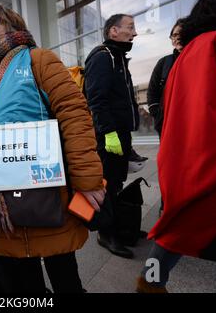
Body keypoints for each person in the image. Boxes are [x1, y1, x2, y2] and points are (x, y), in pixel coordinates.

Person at [0, 3, 105, 293]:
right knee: (26, 285)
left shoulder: (38, 60)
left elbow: (74, 114)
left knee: (65, 277)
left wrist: (87, 179)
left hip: (49, 195)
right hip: (3, 206)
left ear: (12, 26)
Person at [137, 0, 216, 293]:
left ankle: (150, 281)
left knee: (175, 228)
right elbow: (154, 96)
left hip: (186, 156)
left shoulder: (186, 56)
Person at [84, 14, 139, 259]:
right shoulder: (102, 57)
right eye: (130, 27)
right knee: (106, 183)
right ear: (113, 31)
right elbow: (96, 100)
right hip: (108, 136)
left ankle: (119, 227)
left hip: (120, 134)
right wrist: (109, 134)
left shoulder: (117, 57)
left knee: (115, 182)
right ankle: (106, 234)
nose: (134, 33)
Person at [147, 19, 185, 137]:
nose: (177, 37)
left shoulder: (200, 57)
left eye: (181, 34)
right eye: (174, 35)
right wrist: (159, 115)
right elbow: (152, 92)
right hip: (168, 123)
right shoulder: (164, 62)